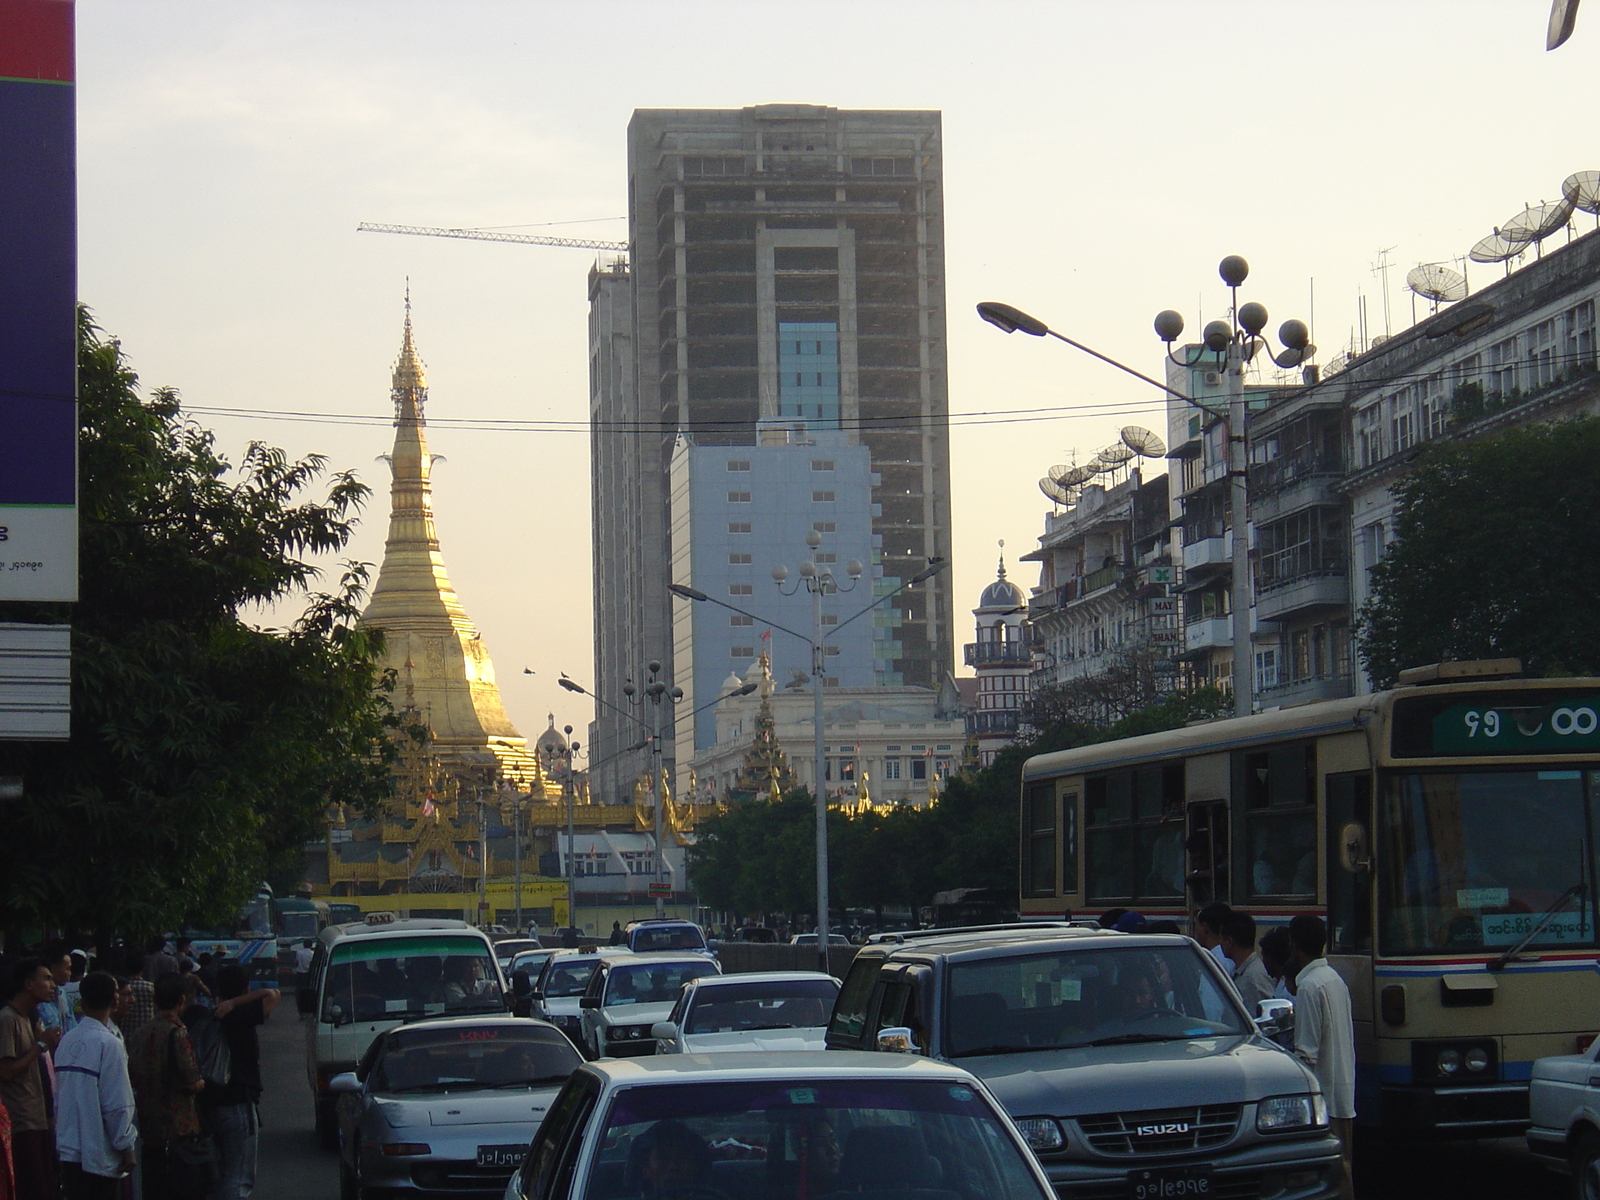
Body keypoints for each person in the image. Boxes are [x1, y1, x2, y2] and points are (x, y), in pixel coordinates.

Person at [53, 972, 137, 1200]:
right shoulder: (110, 1044)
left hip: (69, 1149)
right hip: (100, 1152)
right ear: (115, 1000)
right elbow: (117, 1103)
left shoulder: (67, 1040)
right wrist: (126, 1145)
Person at [1288, 915, 1354, 1200]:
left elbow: (1306, 1053)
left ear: (1294, 946)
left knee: (1329, 1176)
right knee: (1344, 1168)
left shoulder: (1309, 987)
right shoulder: (1333, 979)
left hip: (1324, 1098)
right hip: (1344, 1093)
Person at [128, 976, 205, 1200]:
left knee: (154, 1182)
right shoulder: (178, 1033)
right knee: (182, 1185)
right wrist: (203, 1082)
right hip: (178, 1124)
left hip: (148, 1120)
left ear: (154, 1000)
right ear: (182, 1000)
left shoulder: (139, 1033)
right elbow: (191, 1080)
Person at [206, 965, 278, 1200]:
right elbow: (272, 994)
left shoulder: (210, 1014)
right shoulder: (239, 1014)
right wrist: (237, 1002)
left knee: (221, 1173)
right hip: (238, 1102)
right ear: (245, 987)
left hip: (212, 1102)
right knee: (238, 1177)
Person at [1, 959, 63, 1200]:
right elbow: (6, 1071)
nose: (52, 985)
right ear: (28, 984)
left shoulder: (29, 1018)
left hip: (37, 1117)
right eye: (46, 979)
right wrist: (40, 1046)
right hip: (20, 1120)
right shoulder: (8, 1019)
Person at [1220, 913, 1275, 1015]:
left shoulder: (1253, 977)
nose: (1220, 944)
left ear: (1229, 941)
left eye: (1222, 939)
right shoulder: (1243, 971)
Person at [118, 952, 156, 1040]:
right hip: (147, 1036)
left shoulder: (120, 988)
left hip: (125, 1035)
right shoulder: (151, 988)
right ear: (143, 968)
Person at [1192, 903, 1235, 973]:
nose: (1195, 929)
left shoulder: (1214, 961)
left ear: (1205, 928)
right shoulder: (1229, 957)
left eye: (1196, 924)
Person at [1258, 928, 1297, 1000]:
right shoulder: (1279, 984)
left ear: (1269, 958)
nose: (1263, 961)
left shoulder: (1286, 993)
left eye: (1264, 956)